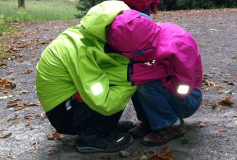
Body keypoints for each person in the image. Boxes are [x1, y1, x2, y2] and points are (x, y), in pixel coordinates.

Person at [35, 1, 137, 153]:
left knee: (116, 78)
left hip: (66, 104)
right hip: (65, 115)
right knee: (117, 86)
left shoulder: (86, 34)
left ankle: (104, 126)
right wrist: (135, 79)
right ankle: (92, 137)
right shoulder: (79, 49)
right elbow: (102, 99)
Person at [107, 9, 203, 146]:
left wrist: (157, 75)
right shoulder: (147, 35)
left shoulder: (179, 45)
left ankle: (172, 125)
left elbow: (183, 89)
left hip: (188, 97)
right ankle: (151, 121)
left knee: (146, 84)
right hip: (171, 88)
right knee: (136, 79)